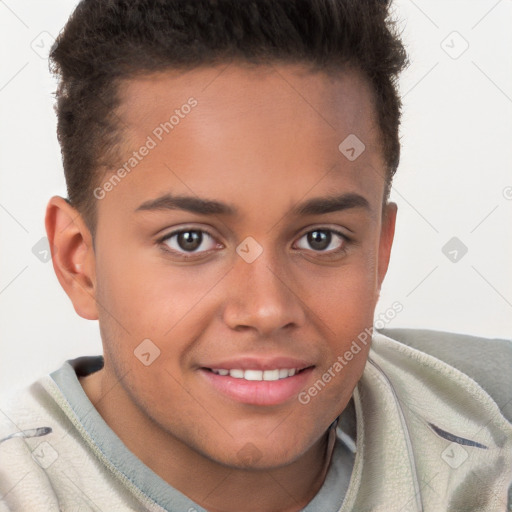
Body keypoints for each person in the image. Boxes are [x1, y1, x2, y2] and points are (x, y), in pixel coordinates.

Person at [0, 1, 511, 511]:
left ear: (379, 252)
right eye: (190, 240)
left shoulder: (491, 429)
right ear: (77, 262)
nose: (267, 309)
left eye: (320, 239)